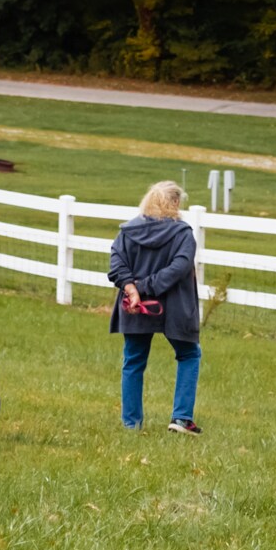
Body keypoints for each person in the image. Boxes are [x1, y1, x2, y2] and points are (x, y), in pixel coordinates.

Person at [107, 179, 204, 435]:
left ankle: (131, 424)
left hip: (136, 306)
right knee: (189, 354)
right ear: (173, 203)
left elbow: (116, 265)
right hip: (175, 306)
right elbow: (180, 268)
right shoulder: (182, 234)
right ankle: (182, 418)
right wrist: (142, 288)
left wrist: (133, 289)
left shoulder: (127, 232)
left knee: (134, 360)